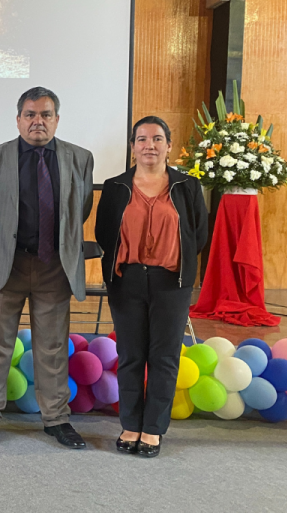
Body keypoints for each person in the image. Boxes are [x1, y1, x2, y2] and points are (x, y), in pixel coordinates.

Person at [0, 87, 94, 448]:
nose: (37, 121)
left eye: (45, 114)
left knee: (53, 345)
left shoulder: (80, 158)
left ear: (56, 119)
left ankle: (56, 418)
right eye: (30, 114)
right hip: (6, 263)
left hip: (53, 265)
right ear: (18, 119)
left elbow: (80, 209)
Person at [95, 116, 207, 458]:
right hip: (127, 280)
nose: (150, 145)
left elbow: (198, 234)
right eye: (142, 139)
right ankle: (130, 424)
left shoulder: (187, 186)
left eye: (157, 139)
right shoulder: (115, 187)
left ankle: (153, 428)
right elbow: (104, 233)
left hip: (170, 282)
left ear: (169, 146)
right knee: (130, 355)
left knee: (164, 357)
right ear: (132, 147)